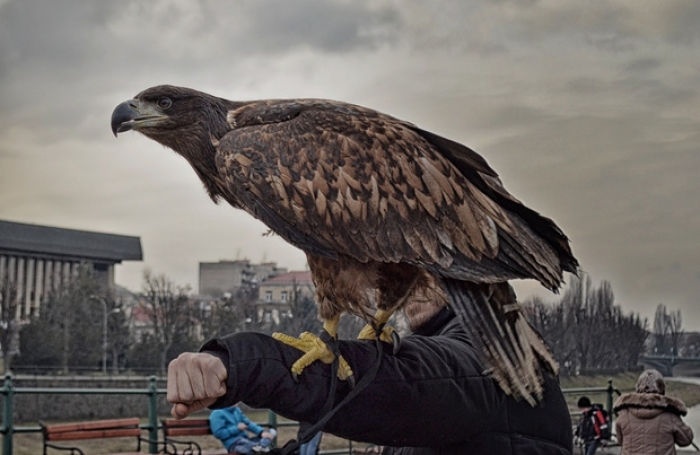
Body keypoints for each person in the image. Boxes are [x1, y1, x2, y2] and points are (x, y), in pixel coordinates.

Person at [168, 302, 573, 454]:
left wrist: (243, 364)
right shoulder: (435, 337)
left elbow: (413, 385)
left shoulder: (498, 342)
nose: (407, 266)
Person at [613, 369, 694, 455]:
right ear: (662, 389)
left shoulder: (624, 414)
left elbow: (621, 441)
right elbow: (686, 440)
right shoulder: (670, 415)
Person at [209, 403, 277, 454]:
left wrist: (261, 432)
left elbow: (248, 424)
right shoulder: (217, 413)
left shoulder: (237, 410)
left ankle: (260, 446)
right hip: (234, 444)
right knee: (244, 442)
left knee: (271, 432)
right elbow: (219, 433)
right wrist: (236, 428)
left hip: (246, 440)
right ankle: (261, 447)